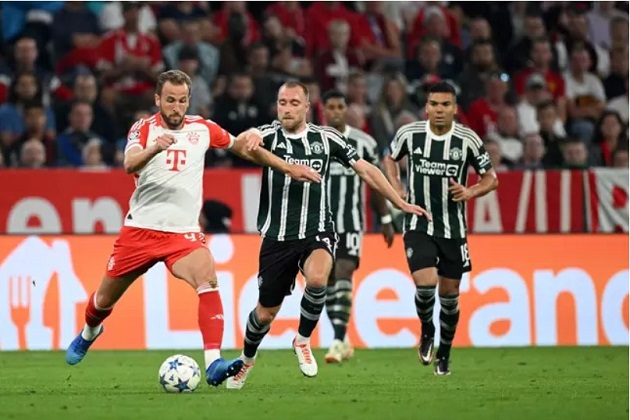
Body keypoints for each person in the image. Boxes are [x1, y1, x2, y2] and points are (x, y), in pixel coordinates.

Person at [64, 70, 320, 388]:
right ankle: (90, 332)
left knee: (207, 279)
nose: (176, 107)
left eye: (182, 100)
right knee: (103, 301)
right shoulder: (144, 128)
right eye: (170, 100)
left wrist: (287, 167)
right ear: (158, 99)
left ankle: (213, 362)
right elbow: (129, 164)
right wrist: (154, 148)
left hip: (182, 235)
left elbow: (242, 148)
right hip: (140, 231)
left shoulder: (203, 128)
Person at [226, 81, 431, 389]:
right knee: (265, 314)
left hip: (318, 229)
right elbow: (239, 144)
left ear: (308, 108)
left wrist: (398, 202)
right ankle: (247, 358)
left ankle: (302, 339)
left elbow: (366, 169)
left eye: (294, 103)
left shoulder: (326, 138)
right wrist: (253, 135)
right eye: (282, 102)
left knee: (319, 279)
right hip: (277, 238)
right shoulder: (268, 134)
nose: (287, 108)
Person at [382, 81, 498, 376]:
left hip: (453, 229)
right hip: (418, 222)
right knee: (425, 283)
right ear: (426, 107)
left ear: (455, 109)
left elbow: (491, 178)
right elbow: (390, 158)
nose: (439, 110)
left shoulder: (467, 139)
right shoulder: (409, 134)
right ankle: (427, 330)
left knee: (449, 296)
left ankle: (444, 352)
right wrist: (396, 187)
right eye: (434, 104)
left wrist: (470, 192)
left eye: (445, 105)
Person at [320, 89, 395, 364]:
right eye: (331, 107)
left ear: (346, 110)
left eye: (340, 106)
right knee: (325, 281)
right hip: (320, 224)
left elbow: (375, 183)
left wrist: (385, 219)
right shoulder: (314, 140)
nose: (336, 112)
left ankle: (337, 340)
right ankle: (342, 338)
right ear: (323, 110)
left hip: (351, 222)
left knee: (344, 272)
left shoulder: (364, 143)